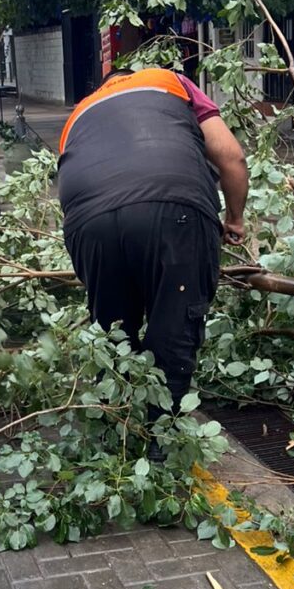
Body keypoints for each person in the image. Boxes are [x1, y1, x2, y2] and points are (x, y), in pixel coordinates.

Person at [58, 45, 248, 461]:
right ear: (134, 74)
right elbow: (231, 157)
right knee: (174, 326)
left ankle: (118, 432)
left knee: (113, 328)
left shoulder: (78, 115)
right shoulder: (171, 81)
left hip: (88, 224)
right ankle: (161, 452)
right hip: (175, 205)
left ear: (103, 87)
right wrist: (235, 219)